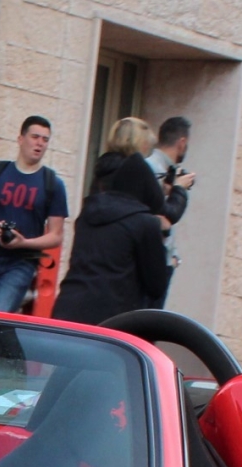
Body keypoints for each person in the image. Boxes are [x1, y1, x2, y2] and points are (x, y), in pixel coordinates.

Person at [49, 132, 169, 327]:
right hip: (112, 321)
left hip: (67, 309)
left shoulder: (88, 214)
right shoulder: (144, 223)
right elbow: (156, 286)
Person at [0, 115, 69, 311]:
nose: (40, 144)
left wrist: (24, 243)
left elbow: (56, 235)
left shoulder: (53, 183)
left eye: (45, 139)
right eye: (35, 137)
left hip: (21, 263)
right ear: (21, 139)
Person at [147, 115, 195, 285]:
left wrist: (173, 258)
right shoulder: (152, 168)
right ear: (182, 143)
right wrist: (179, 188)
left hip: (162, 259)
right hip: (151, 260)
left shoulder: (165, 170)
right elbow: (164, 213)